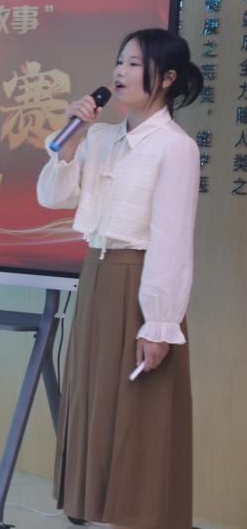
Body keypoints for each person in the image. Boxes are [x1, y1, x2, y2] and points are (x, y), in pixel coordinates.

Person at [36, 28, 203, 529]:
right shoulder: (101, 137)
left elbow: (172, 240)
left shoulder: (175, 148)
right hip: (96, 273)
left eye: (134, 63)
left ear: (166, 78)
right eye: (120, 61)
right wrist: (71, 139)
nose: (120, 72)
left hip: (140, 282)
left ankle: (140, 514)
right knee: (91, 397)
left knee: (137, 405)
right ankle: (92, 505)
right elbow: (52, 197)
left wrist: (159, 324)